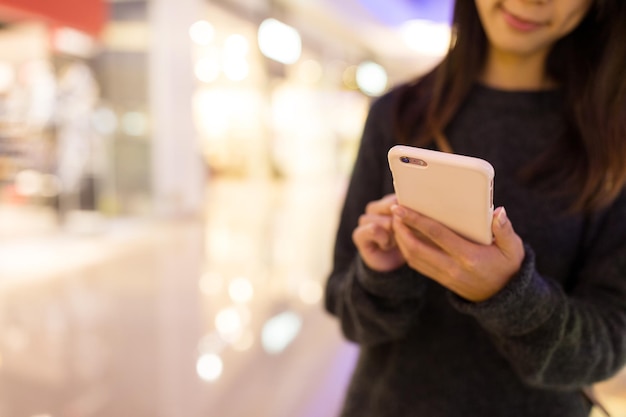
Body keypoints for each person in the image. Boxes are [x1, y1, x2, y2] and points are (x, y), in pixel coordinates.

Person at [324, 0, 626, 416]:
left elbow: (608, 347)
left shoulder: (612, 143)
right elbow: (346, 312)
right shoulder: (396, 115)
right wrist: (381, 275)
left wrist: (509, 294)